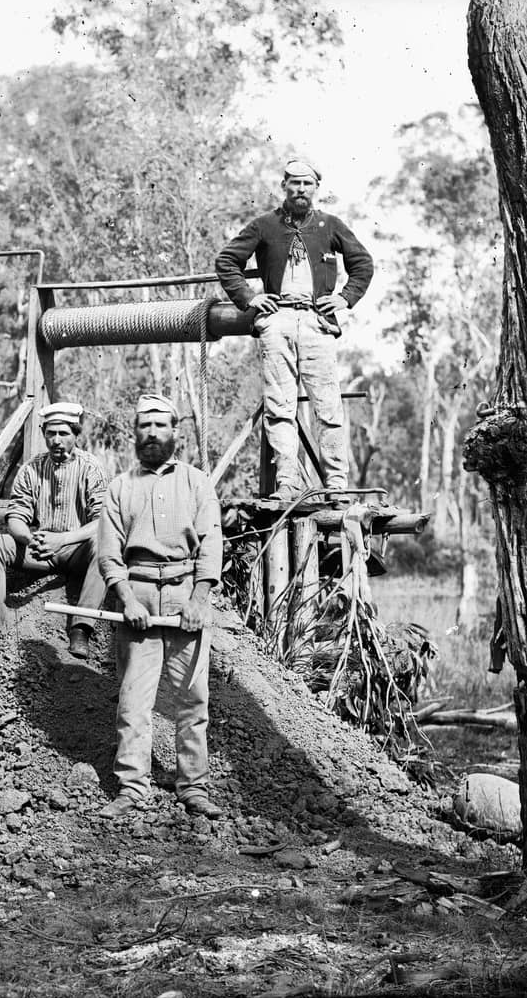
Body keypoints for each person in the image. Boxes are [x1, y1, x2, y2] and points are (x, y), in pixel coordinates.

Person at [214, 158, 374, 502]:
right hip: (278, 320)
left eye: (308, 184)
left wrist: (344, 299)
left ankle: (336, 485)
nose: (301, 190)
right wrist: (249, 299)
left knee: (328, 405)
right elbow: (226, 261)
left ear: (317, 188)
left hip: (317, 322)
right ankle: (287, 482)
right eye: (295, 183)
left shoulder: (330, 225)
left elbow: (362, 263)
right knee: (280, 405)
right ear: (284, 186)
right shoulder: (264, 225)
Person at [96, 394, 225, 820]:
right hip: (140, 597)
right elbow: (109, 552)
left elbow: (211, 543)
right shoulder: (120, 487)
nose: (151, 433)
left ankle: (194, 787)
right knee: (134, 702)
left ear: (175, 433)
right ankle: (133, 787)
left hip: (185, 593)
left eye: (160, 425)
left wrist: (200, 598)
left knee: (192, 700)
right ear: (134, 433)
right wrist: (126, 597)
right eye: (144, 426)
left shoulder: (196, 482)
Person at [0, 401, 107, 658]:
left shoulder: (91, 467)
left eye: (64, 433)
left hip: (77, 549)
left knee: (104, 546)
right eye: (50, 433)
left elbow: (102, 521)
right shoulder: (31, 469)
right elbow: (16, 515)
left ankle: (81, 628)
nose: (56, 440)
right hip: (41, 548)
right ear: (44, 433)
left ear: (76, 435)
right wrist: (28, 537)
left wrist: (63, 540)